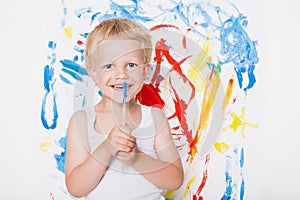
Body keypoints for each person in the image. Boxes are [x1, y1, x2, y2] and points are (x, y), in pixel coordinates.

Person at [64, 18, 184, 200]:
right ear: (93, 72)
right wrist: (106, 149)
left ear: (145, 71)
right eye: (109, 66)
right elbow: (76, 188)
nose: (121, 74)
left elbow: (175, 180)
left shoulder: (155, 117)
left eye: (131, 65)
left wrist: (136, 158)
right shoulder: (82, 121)